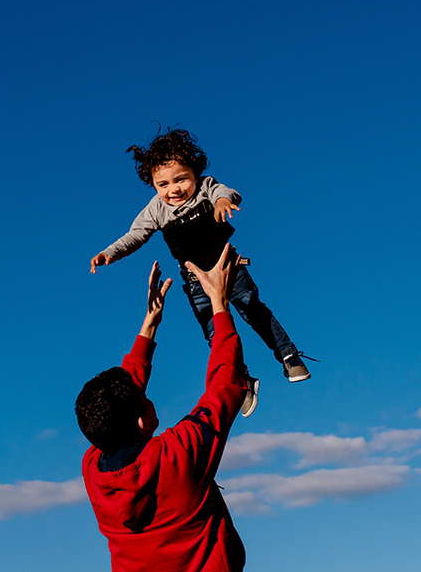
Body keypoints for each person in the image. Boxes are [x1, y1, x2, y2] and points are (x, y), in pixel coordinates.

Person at [90, 128, 311, 383]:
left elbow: (227, 192)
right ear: (153, 185)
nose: (173, 189)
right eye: (163, 184)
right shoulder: (156, 209)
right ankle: (240, 378)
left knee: (254, 311)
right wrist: (110, 253)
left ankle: (288, 355)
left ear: (195, 173)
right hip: (197, 281)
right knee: (214, 331)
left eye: (181, 179)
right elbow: (135, 236)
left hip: (229, 268)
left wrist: (222, 201)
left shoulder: (206, 187)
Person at [76, 245, 249, 572]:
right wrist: (219, 304)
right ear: (142, 419)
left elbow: (119, 403)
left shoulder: (94, 471)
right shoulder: (177, 453)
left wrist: (149, 327)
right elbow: (224, 386)